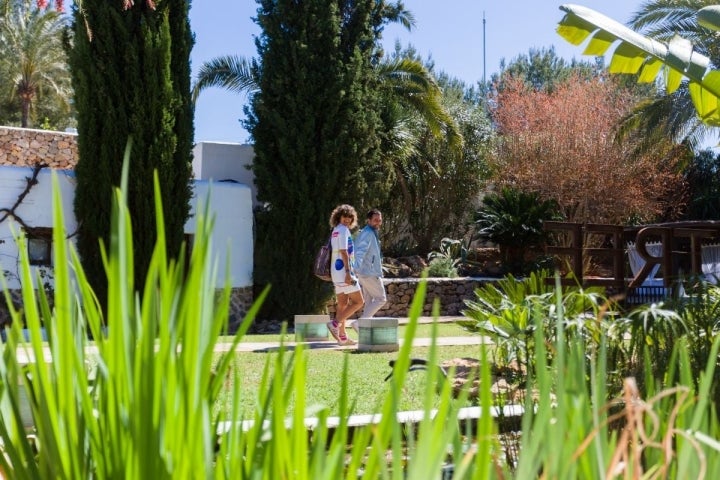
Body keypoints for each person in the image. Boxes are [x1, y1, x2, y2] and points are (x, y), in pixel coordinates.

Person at [326, 204, 364, 345]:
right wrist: (348, 272)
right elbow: (344, 252)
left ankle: (342, 337)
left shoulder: (335, 230)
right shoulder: (343, 231)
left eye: (350, 217)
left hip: (336, 272)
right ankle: (335, 324)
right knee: (359, 301)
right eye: (345, 216)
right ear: (339, 217)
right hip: (344, 272)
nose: (347, 220)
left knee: (342, 304)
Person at [350, 209, 386, 332]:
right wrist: (355, 267)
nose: (378, 223)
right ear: (369, 220)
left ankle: (364, 328)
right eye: (375, 220)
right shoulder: (368, 233)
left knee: (369, 300)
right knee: (381, 299)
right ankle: (360, 323)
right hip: (368, 272)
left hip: (364, 271)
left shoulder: (369, 232)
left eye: (380, 220)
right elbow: (360, 251)